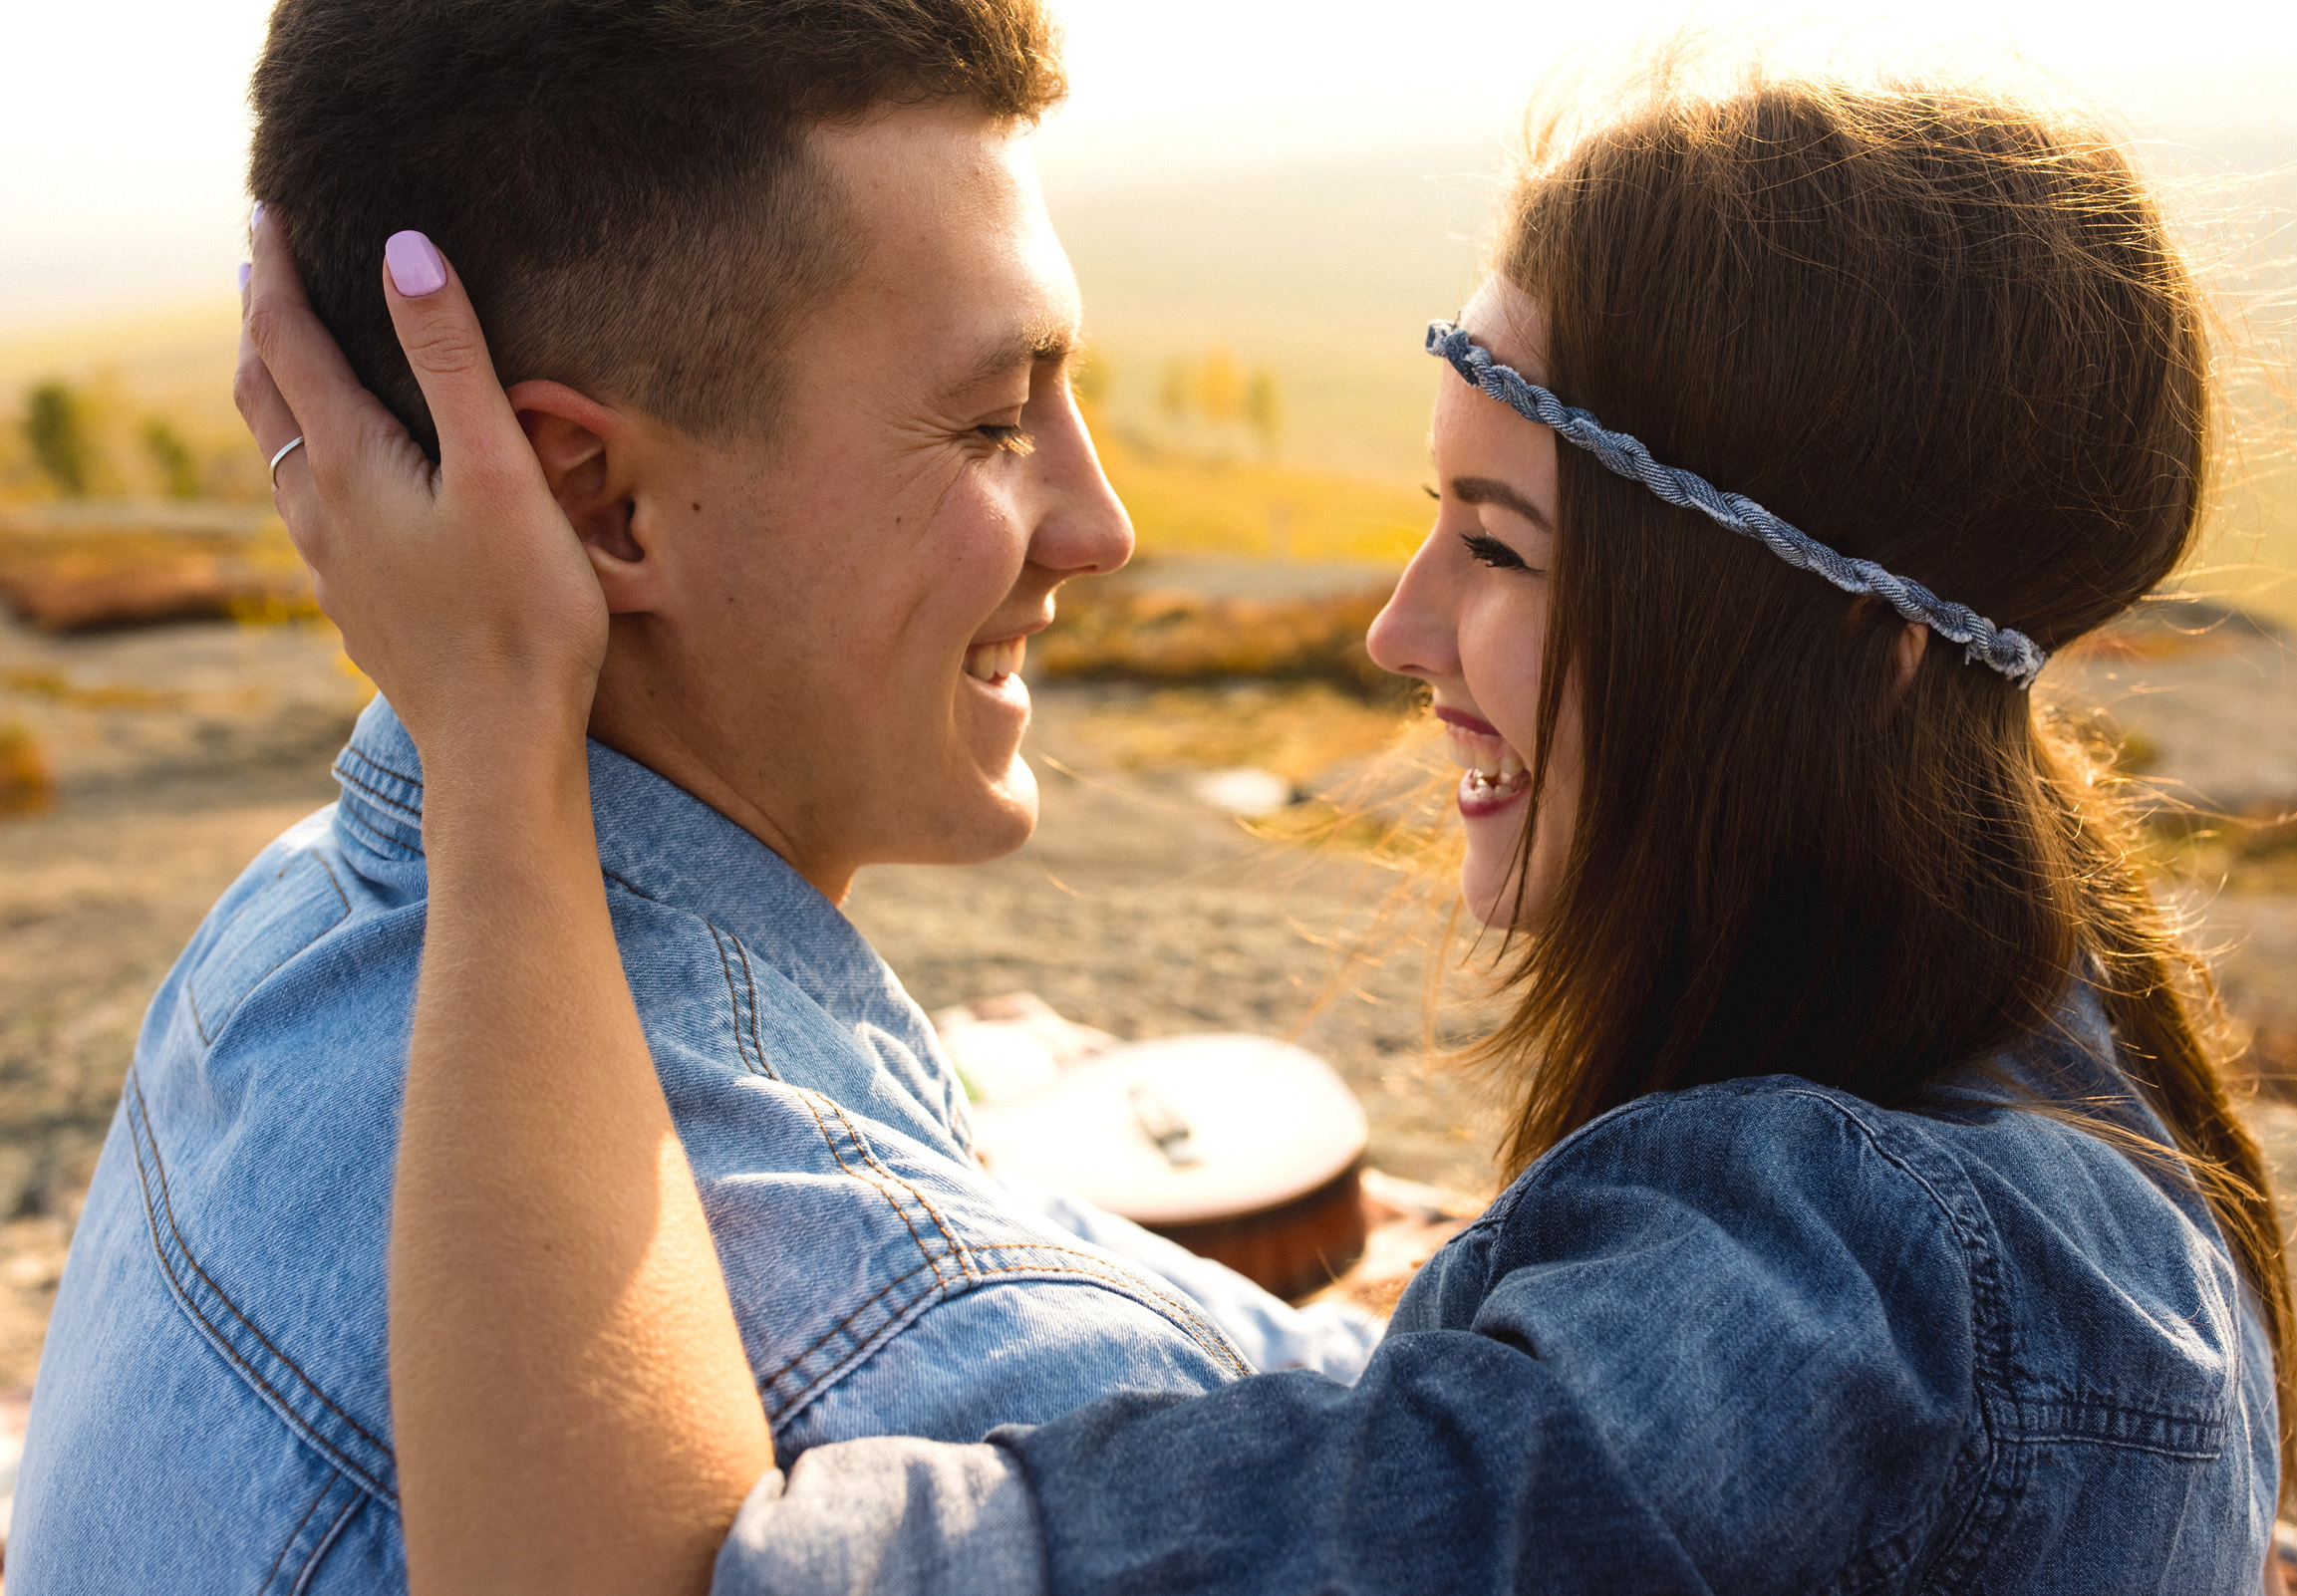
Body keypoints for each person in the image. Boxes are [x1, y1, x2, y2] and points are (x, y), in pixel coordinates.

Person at [240, 58, 2297, 1596]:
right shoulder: (2042, 1145)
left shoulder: (1838, 1303)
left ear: (1839, 648)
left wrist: (499, 733)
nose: (1402, 630)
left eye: (1496, 542)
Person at [11, 3, 1379, 1589]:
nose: (1100, 523)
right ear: (598, 503)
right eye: (995, 421)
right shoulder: (951, 1406)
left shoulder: (285, 928)